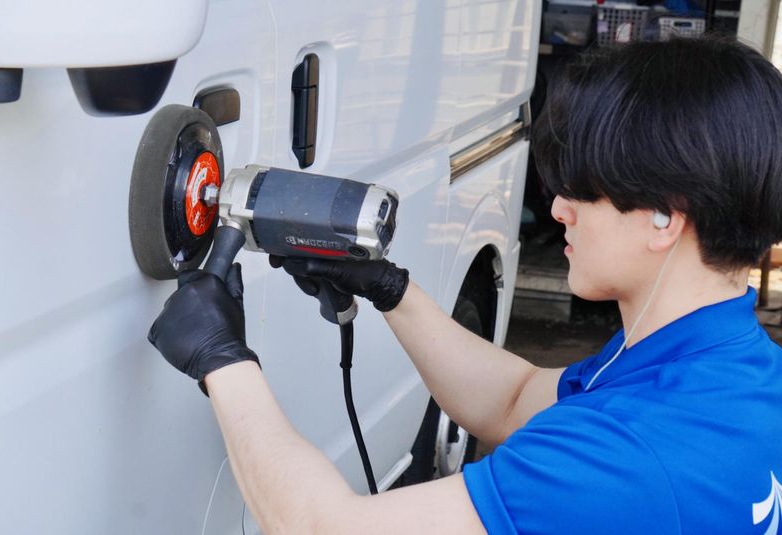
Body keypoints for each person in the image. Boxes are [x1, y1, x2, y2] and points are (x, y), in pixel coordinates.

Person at [148, 36, 782, 534]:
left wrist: (223, 362)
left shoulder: (627, 454)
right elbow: (511, 401)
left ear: (666, 218)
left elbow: (324, 527)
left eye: (584, 192)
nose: (558, 209)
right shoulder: (726, 368)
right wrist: (390, 290)